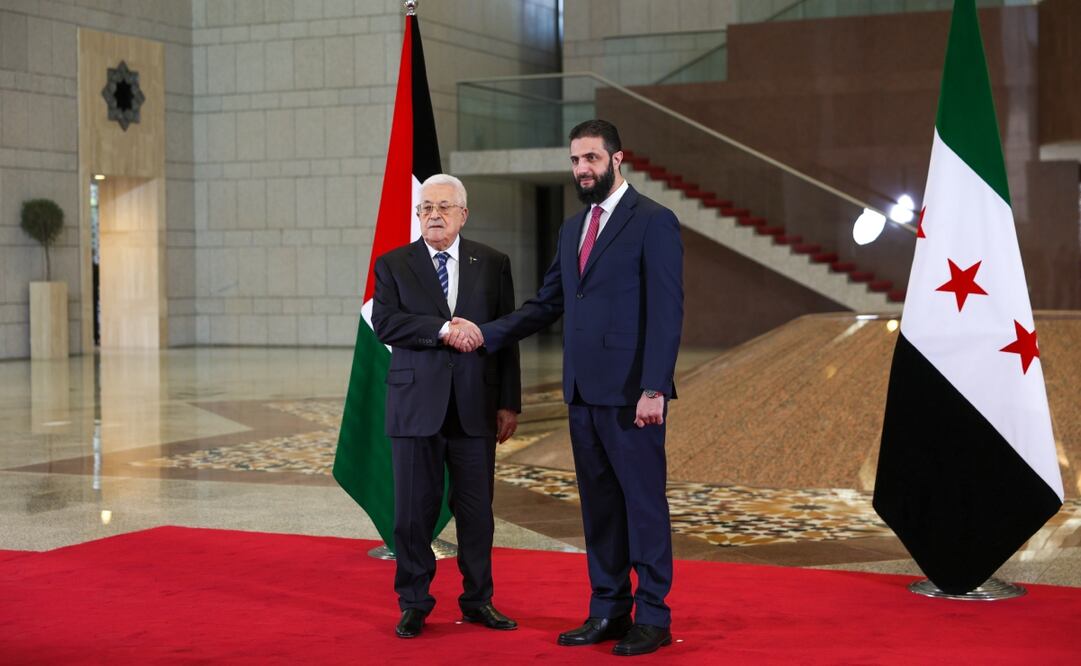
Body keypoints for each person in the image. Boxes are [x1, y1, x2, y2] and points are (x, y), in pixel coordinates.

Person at [447, 119, 683, 657]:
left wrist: (654, 388)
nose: (582, 170)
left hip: (631, 397)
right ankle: (608, 609)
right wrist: (485, 333)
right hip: (582, 395)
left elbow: (668, 314)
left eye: (592, 159)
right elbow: (546, 304)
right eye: (575, 160)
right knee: (598, 509)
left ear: (618, 159)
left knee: (642, 506)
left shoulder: (654, 222)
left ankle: (654, 616)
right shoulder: (572, 229)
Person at [371, 173, 521, 639]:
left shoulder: (493, 263)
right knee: (413, 512)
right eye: (425, 208)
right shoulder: (393, 263)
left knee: (477, 512)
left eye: (443, 207)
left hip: (476, 406)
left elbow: (506, 336)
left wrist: (508, 402)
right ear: (417, 215)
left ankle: (479, 600)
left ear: (463, 214)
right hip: (416, 406)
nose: (433, 215)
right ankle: (414, 602)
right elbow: (386, 324)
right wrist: (442, 329)